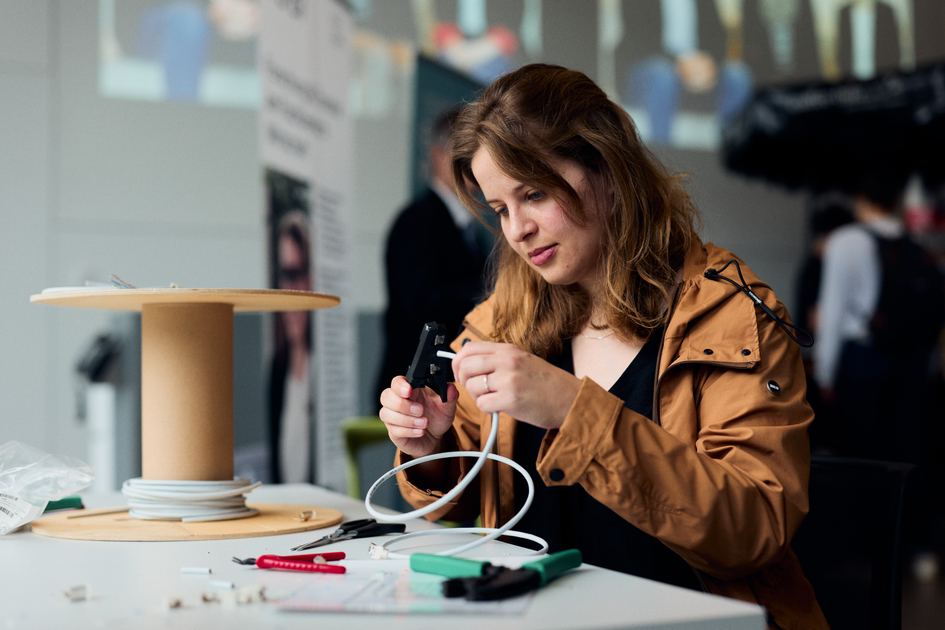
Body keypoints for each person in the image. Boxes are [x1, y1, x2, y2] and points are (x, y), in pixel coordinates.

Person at [379, 64, 827, 628]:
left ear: (607, 168)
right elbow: (468, 500)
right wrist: (430, 448)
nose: (517, 230)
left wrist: (572, 408)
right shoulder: (500, 321)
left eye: (534, 193)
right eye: (501, 209)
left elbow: (753, 530)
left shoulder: (732, 316)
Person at [815, 166, 945, 580]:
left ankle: (863, 553)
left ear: (861, 200)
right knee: (909, 453)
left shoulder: (847, 241)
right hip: (908, 367)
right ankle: (915, 547)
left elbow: (833, 311)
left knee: (861, 455)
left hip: (863, 362)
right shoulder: (915, 245)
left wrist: (825, 373)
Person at [376, 107, 491, 401]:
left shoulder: (468, 225)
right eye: (466, 155)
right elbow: (420, 303)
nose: (476, 166)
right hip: (416, 387)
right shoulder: (416, 221)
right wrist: (492, 296)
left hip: (454, 384)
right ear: (438, 156)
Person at [269, 210, 314, 483]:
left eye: (299, 273)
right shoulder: (277, 367)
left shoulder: (320, 368)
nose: (293, 291)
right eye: (286, 275)